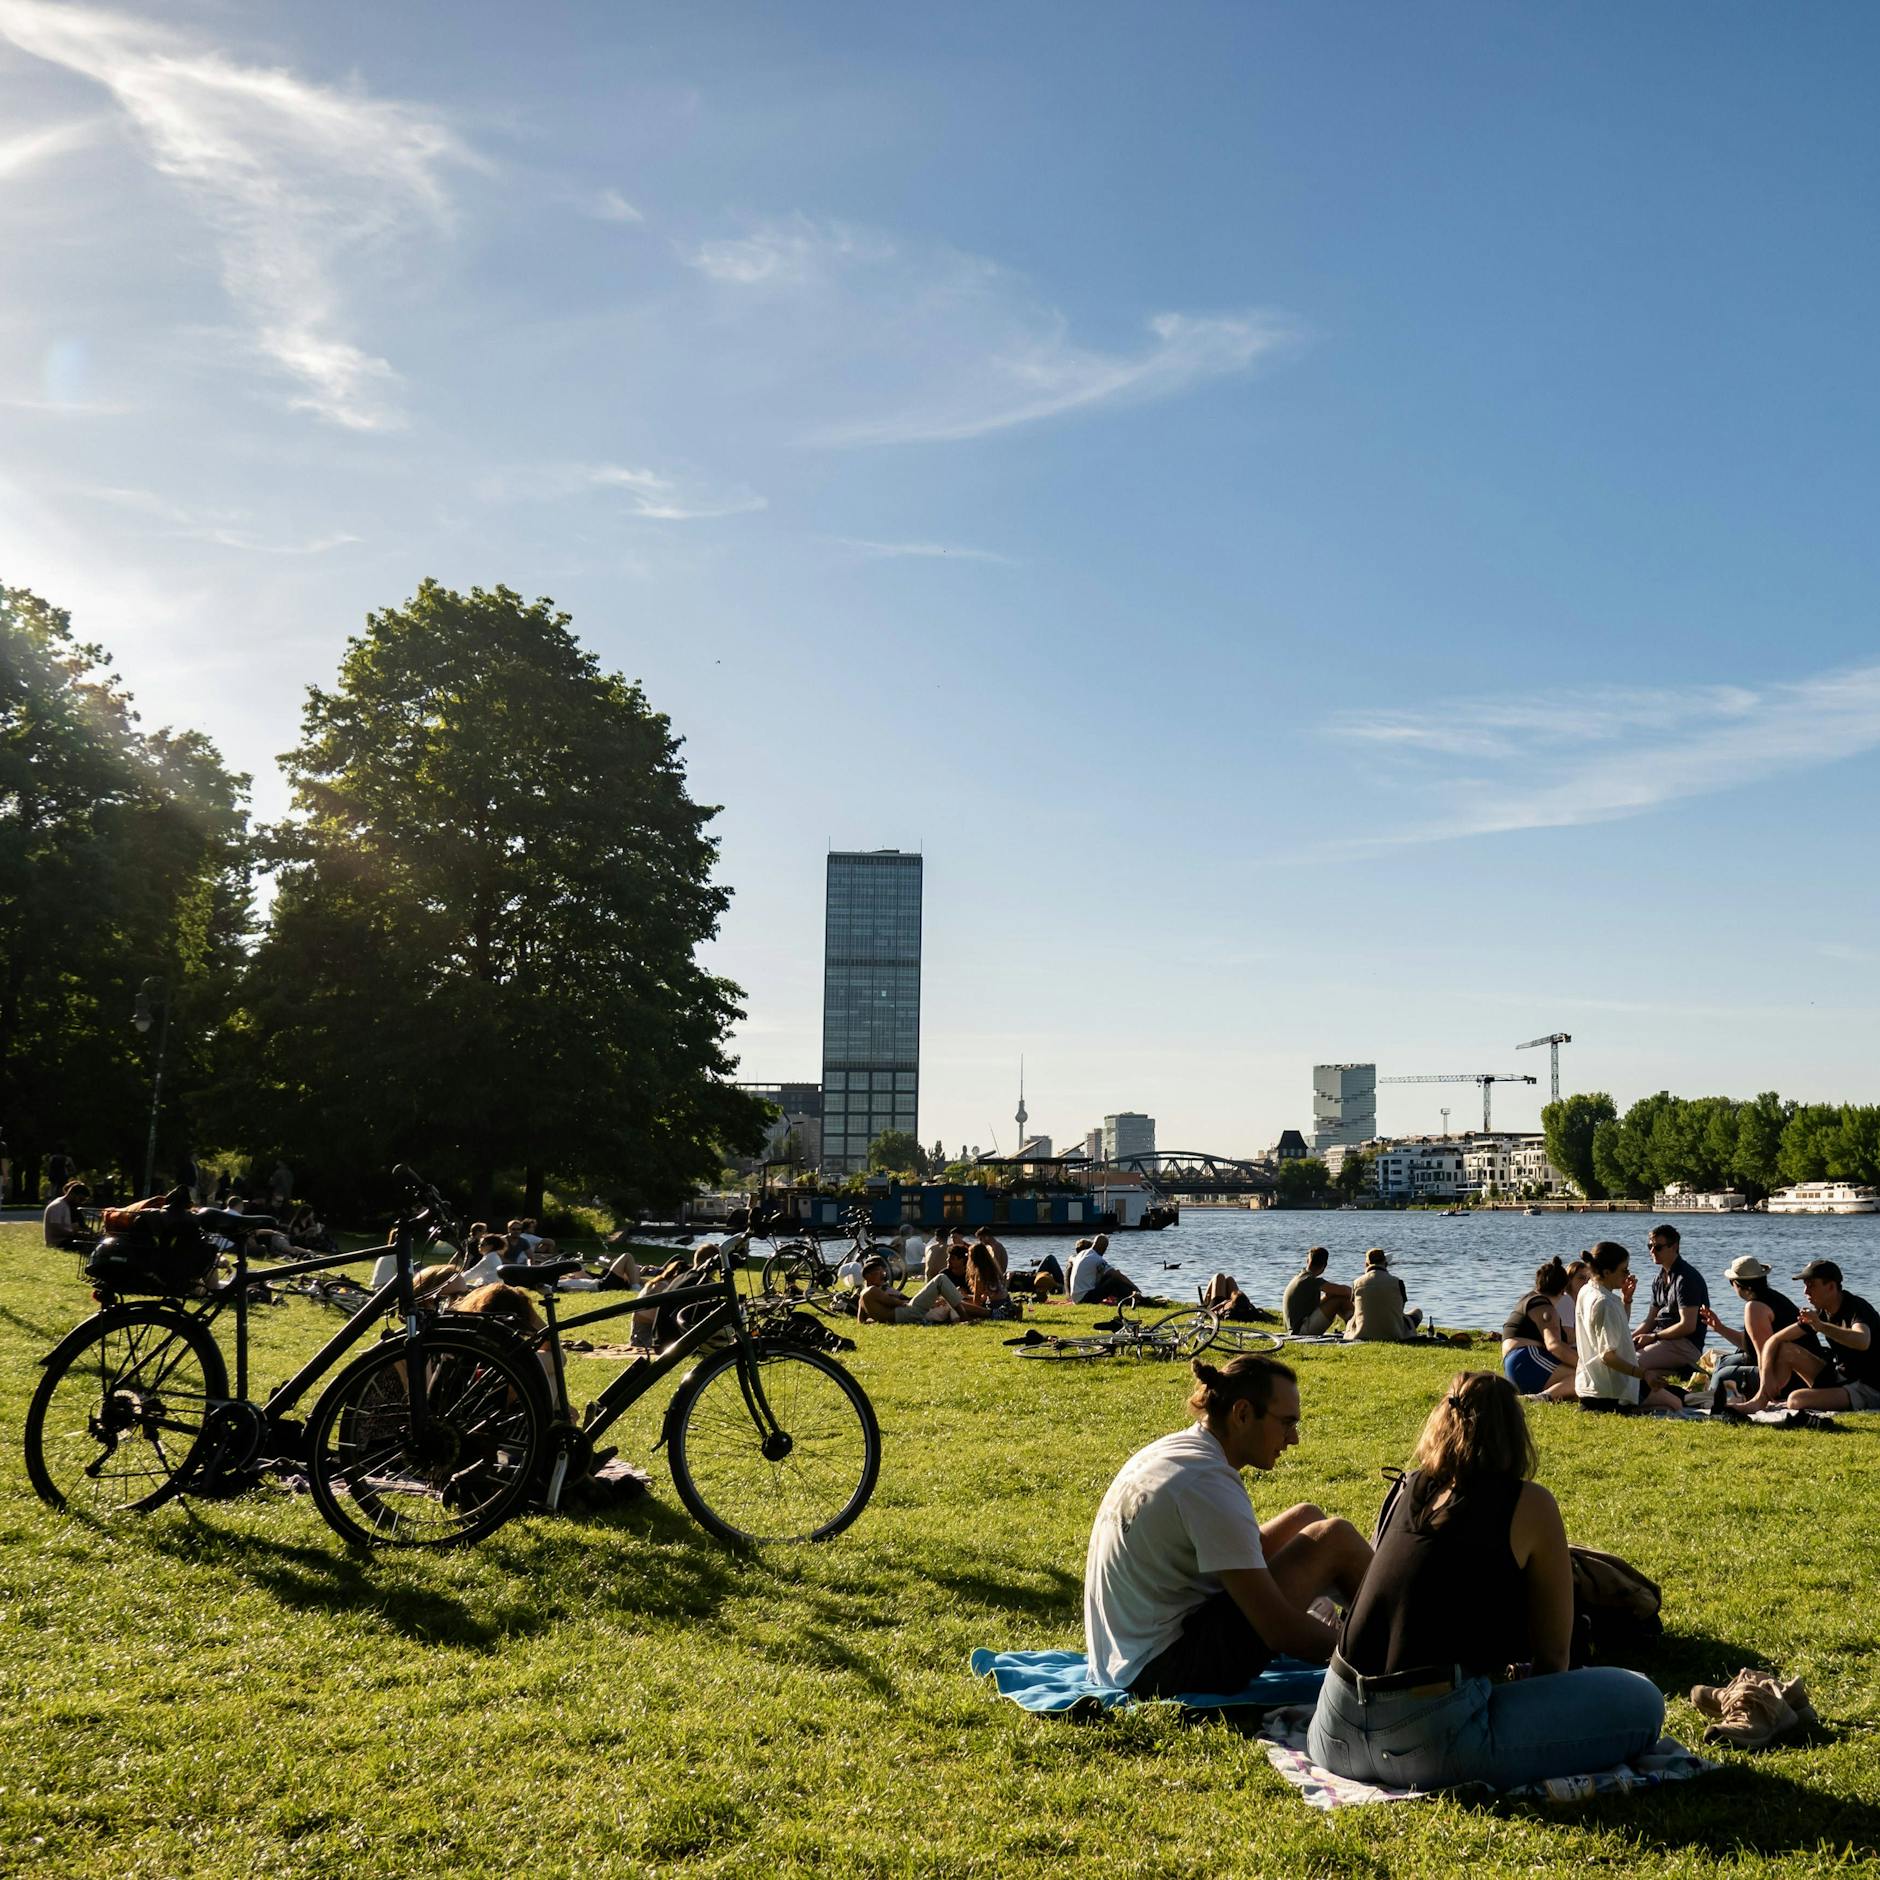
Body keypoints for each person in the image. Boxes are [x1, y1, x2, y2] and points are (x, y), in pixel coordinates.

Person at [1307, 1372, 1665, 1790]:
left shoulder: (1411, 1488)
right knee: (1643, 1700)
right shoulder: (1530, 1504)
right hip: (1430, 1743)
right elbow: (1553, 1656)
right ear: (1516, 1434)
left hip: (1333, 1732)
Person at [1084, 1354, 1371, 1697]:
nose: (1293, 1439)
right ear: (1243, 1414)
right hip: (1160, 1671)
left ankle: (1384, 1623)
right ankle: (1413, 1649)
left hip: (1121, 1656)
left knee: (1306, 1518)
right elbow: (1279, 1631)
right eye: (1286, 1423)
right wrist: (1367, 1659)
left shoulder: (1176, 1451)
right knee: (1333, 1538)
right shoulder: (1207, 1483)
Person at [1727, 1260, 1880, 1414]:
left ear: (1831, 1287)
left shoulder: (1856, 1308)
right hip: (1840, 1376)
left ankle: (1783, 1399)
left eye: (1811, 1285)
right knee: (1785, 1349)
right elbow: (1775, 1340)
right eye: (1805, 1285)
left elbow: (1862, 1341)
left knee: (1796, 1399)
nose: (1805, 1292)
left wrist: (1821, 1326)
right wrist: (1766, 1379)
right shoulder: (1822, 1312)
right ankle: (1760, 1401)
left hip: (1868, 1387)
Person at [1699, 1255, 1825, 1404]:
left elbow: (1764, 1354)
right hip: (1802, 1367)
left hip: (1790, 1376)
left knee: (1722, 1376)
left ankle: (1711, 1399)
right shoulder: (1772, 1297)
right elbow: (1752, 1344)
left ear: (1737, 1284)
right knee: (1723, 1362)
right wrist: (1720, 1328)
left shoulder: (1755, 1307)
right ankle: (1715, 1393)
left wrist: (1765, 1388)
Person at [1575, 1241, 1682, 1410]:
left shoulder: (1587, 1290)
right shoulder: (1604, 1302)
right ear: (1606, 1272)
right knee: (1676, 1404)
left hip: (1590, 1386)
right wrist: (1644, 1374)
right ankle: (1635, 1409)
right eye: (1624, 1270)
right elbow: (1607, 1356)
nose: (1628, 1274)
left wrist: (1627, 1300)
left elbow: (1616, 1326)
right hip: (1610, 1392)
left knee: (1677, 1393)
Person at [1632, 1222, 1708, 1383]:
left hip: (1685, 1344)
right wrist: (1628, 1339)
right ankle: (1679, 1372)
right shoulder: (1659, 1279)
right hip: (1662, 1340)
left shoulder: (1686, 1278)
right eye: (1650, 1246)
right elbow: (1650, 1320)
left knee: (1632, 1363)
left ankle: (1683, 1369)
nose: (1652, 1251)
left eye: (1658, 1247)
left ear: (1674, 1247)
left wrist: (1654, 1337)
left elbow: (1688, 1326)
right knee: (1622, 1355)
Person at [1501, 1257, 1579, 1399]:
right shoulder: (1545, 1308)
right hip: (1526, 1359)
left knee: (1581, 1381)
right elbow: (1554, 1346)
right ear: (1562, 1290)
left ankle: (1540, 1395)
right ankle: (1540, 1398)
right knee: (1584, 1378)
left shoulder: (1528, 1299)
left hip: (1515, 1364)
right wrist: (1585, 1365)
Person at [856, 1253, 984, 1325]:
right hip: (904, 1313)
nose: (883, 1276)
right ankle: (964, 1317)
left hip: (899, 1316)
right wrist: (911, 1302)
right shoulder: (872, 1290)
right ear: (868, 1276)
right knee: (940, 1279)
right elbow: (894, 1302)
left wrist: (877, 1319)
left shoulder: (863, 1295)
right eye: (880, 1273)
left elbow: (860, 1320)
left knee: (944, 1297)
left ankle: (977, 1314)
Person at [1345, 1250, 1424, 1342]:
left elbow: (1356, 1308)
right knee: (1417, 1312)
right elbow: (1400, 1309)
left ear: (1366, 1264)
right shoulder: (1398, 1282)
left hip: (1362, 1333)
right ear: (1385, 1263)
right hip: (1395, 1333)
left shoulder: (1356, 1283)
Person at [1283, 1247, 1352, 1336]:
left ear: (1307, 1261)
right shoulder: (1310, 1280)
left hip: (1295, 1328)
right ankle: (1354, 1328)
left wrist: (1329, 1296)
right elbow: (1347, 1291)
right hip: (1300, 1331)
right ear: (1324, 1265)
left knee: (1335, 1295)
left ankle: (1352, 1326)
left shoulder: (1301, 1277)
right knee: (1339, 1299)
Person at [1069, 1233, 1139, 1306]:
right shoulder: (1097, 1259)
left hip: (1076, 1298)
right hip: (1085, 1298)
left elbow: (1072, 1258)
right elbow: (1117, 1275)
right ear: (1103, 1248)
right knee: (1114, 1279)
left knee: (1108, 1275)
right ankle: (1135, 1298)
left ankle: (1129, 1298)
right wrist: (1135, 1288)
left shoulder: (1082, 1253)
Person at [965, 1244, 1021, 1320]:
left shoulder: (980, 1275)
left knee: (962, 1305)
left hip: (997, 1308)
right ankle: (1014, 1310)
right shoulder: (994, 1270)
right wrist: (966, 1296)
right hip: (1007, 1303)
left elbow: (977, 1300)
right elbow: (989, 1294)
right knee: (965, 1300)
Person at [42, 1179, 93, 1250]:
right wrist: (74, 1233)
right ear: (72, 1194)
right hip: (58, 1242)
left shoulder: (66, 1205)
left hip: (66, 1238)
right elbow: (56, 1229)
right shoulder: (57, 1206)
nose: (81, 1202)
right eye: (81, 1199)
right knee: (90, 1246)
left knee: (95, 1241)